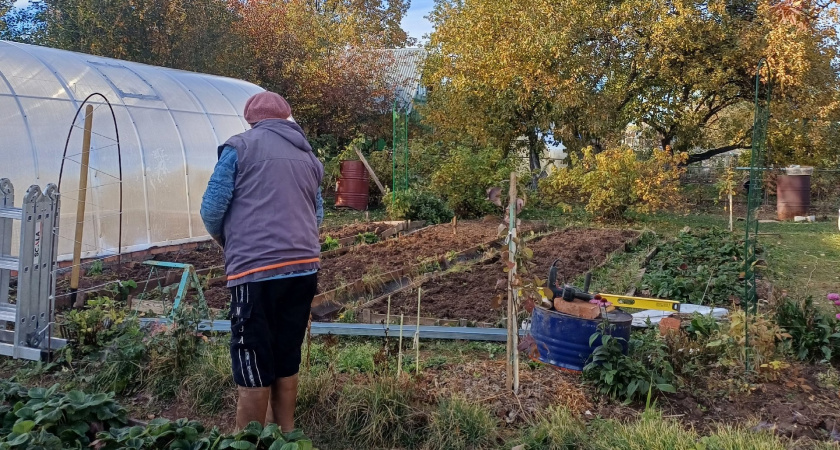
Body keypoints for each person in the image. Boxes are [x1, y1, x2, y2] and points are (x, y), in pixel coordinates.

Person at [200, 91, 324, 431]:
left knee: (251, 361)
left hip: (256, 271)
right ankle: (284, 436)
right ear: (286, 117)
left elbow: (212, 208)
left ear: (251, 120)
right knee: (286, 356)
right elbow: (317, 215)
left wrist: (227, 241)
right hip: (303, 269)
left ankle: (247, 441)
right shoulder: (309, 156)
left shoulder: (240, 147)